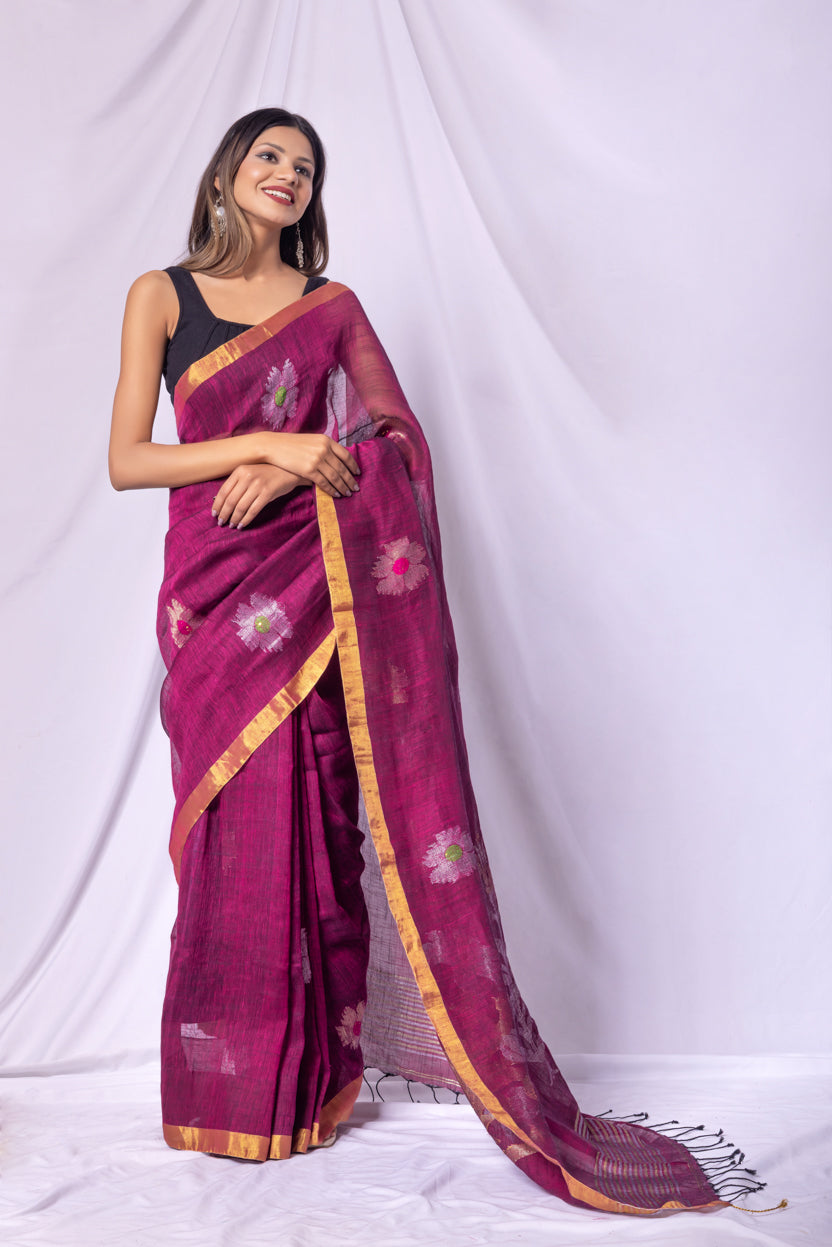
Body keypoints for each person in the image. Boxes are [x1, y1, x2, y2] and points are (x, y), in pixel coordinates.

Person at [108, 107, 756, 1214]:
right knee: (231, 838)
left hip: (313, 599)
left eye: (304, 166)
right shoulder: (161, 295)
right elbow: (130, 459)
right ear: (225, 175)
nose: (286, 174)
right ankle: (229, 1093)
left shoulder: (332, 308)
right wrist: (271, 443)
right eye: (268, 156)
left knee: (317, 822)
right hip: (213, 602)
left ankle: (309, 1089)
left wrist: (312, 464)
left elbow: (394, 441)